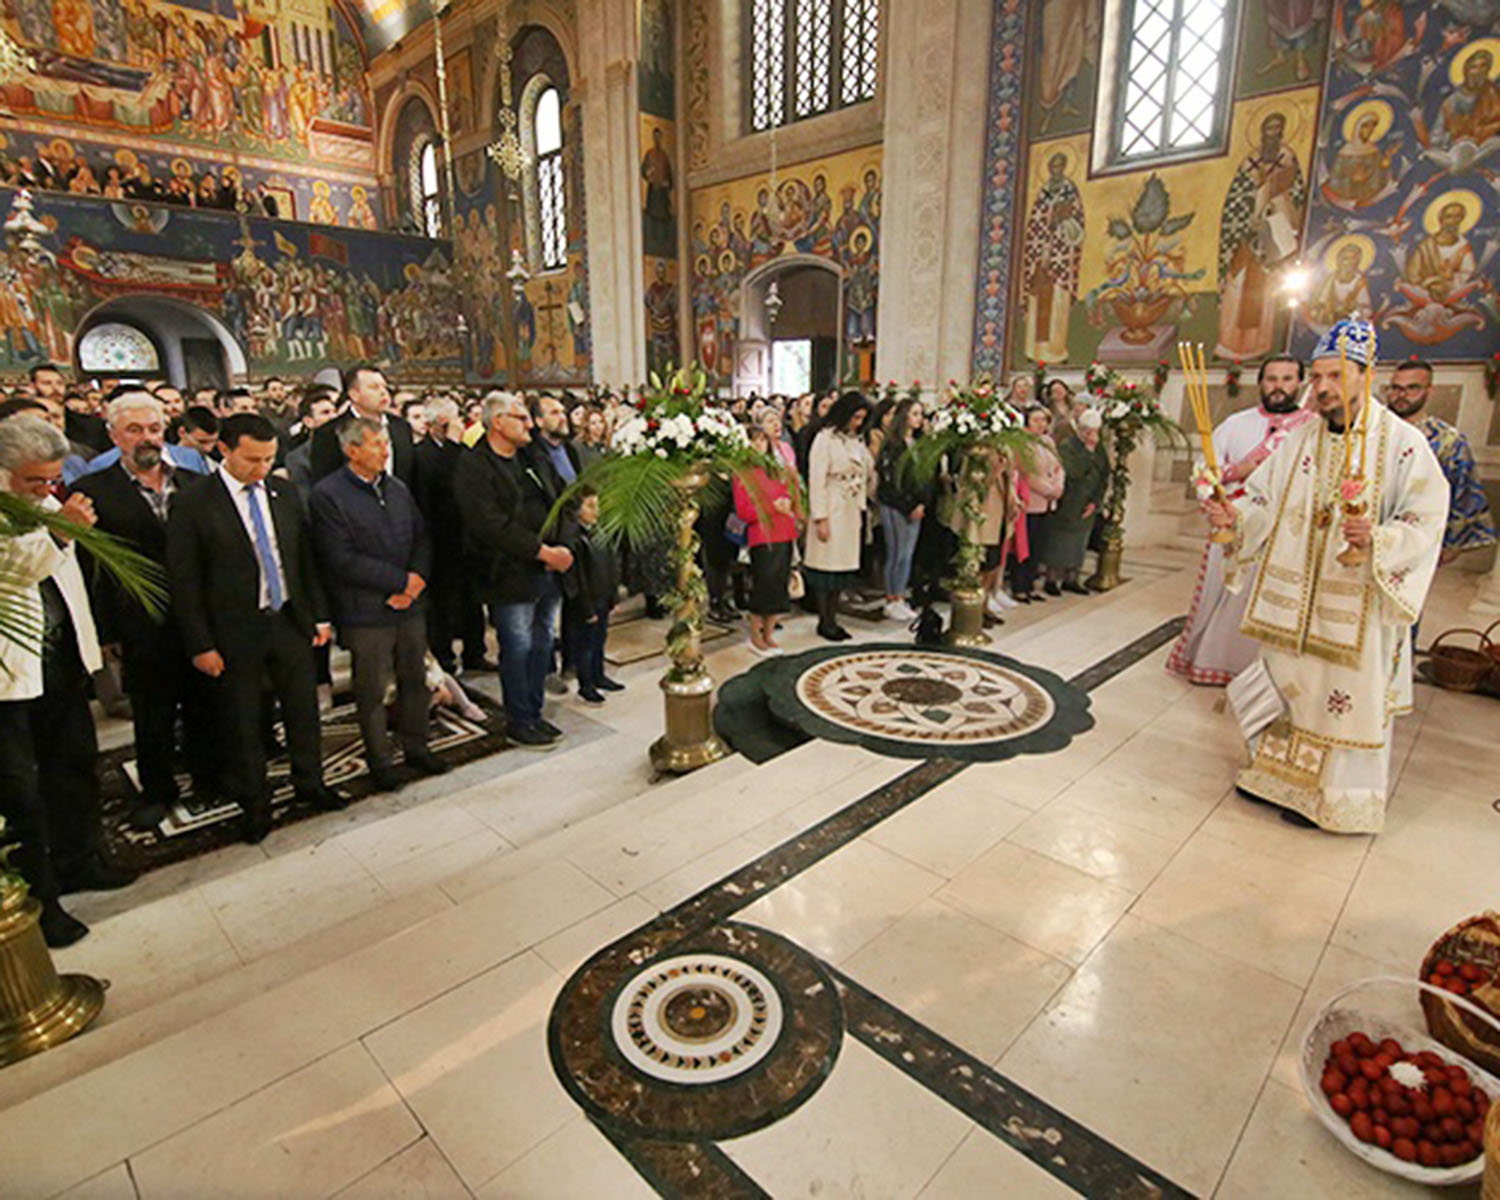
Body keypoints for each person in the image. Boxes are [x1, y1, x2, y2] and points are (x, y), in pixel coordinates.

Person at [1204, 316, 1448, 833]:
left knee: (1340, 700)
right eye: (1317, 378)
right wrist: (1237, 518)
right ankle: (1274, 779)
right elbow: (1265, 502)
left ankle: (1336, 802)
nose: (1322, 388)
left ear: (1366, 373)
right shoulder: (1298, 441)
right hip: (1294, 605)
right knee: (1291, 687)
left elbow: (1426, 517)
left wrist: (1378, 541)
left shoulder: (1402, 445)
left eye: (1335, 376)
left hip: (1354, 609)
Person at [167, 413, 348, 843]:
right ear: (224, 450)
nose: (261, 468)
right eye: (252, 459)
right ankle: (255, 804)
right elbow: (185, 581)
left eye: (268, 458)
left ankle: (311, 784)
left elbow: (303, 559)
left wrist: (318, 615)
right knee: (243, 720)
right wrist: (201, 644)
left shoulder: (282, 492)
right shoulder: (194, 502)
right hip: (233, 630)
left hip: (288, 620)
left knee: (303, 711)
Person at [0, 418, 135, 949]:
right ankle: (42, 899)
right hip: (12, 676)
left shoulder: (47, 500)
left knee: (74, 766)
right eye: (36, 481)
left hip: (61, 661)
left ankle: (81, 859)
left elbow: (68, 573)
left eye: (52, 479)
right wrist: (61, 530)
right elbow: (13, 568)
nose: (46, 490)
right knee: (22, 791)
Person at [71, 391, 219, 829]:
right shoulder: (93, 491)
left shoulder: (195, 483)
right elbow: (92, 565)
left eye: (153, 428)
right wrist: (106, 630)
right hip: (139, 622)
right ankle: (158, 790)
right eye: (134, 430)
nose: (146, 438)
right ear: (114, 434)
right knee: (153, 713)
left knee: (204, 705)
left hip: (198, 618)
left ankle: (210, 778)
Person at [310, 418, 449, 792]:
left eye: (386, 443)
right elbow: (340, 558)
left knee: (414, 682)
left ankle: (417, 747)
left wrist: (416, 579)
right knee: (371, 691)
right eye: (376, 445)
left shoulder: (397, 488)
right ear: (351, 450)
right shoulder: (328, 494)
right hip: (366, 610)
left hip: (410, 605)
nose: (386, 451)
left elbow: (422, 536)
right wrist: (399, 581)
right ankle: (380, 761)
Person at [1167, 358, 1315, 685]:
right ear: (1260, 383)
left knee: (1265, 600)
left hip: (1283, 532)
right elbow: (1206, 470)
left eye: (1287, 379)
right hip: (1231, 526)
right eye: (1272, 379)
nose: (1279, 386)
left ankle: (1259, 674)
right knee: (1221, 596)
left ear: (1300, 383)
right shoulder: (1235, 424)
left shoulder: (1311, 429)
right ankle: (1210, 660)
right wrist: (1234, 478)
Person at [453, 392, 574, 748]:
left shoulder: (532, 456)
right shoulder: (474, 465)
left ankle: (535, 712)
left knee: (541, 644)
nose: (530, 424)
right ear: (497, 422)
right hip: (508, 572)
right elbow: (489, 524)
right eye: (521, 418)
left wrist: (564, 545)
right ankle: (519, 718)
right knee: (517, 645)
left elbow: (564, 499)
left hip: (547, 567)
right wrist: (542, 552)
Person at [1385, 359, 1496, 563]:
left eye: (1412, 388)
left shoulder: (1447, 440)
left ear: (1430, 391)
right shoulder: (1371, 431)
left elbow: (1463, 489)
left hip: (1420, 537)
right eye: (1396, 388)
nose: (1402, 395)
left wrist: (1452, 545)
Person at [413, 395, 491, 674]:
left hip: (466, 540)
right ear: (438, 425)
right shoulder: (422, 454)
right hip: (439, 540)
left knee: (472, 602)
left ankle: (475, 652)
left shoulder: (460, 450)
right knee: (442, 606)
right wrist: (454, 446)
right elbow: (442, 486)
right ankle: (444, 656)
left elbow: (469, 480)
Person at [805, 391, 873, 640]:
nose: (857, 423)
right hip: (832, 505)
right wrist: (820, 517)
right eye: (854, 417)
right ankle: (825, 621)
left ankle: (834, 617)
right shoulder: (825, 439)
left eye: (861, 419)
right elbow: (816, 479)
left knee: (841, 568)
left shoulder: (856, 440)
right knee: (826, 568)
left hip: (850, 507)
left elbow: (866, 469)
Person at [733, 424, 800, 654]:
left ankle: (769, 633)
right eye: (754, 440)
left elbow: (789, 492)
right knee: (764, 585)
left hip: (784, 530)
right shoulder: (742, 472)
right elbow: (744, 510)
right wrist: (773, 506)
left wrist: (788, 502)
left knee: (779, 586)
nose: (759, 444)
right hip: (762, 534)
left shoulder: (775, 467)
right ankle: (755, 634)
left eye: (762, 440)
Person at [563, 489, 624, 702]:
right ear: (577, 510)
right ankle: (586, 683)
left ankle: (599, 675)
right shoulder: (573, 539)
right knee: (585, 644)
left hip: (602, 595)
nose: (595, 510)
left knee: (600, 639)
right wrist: (586, 607)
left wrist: (613, 596)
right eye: (589, 505)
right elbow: (576, 578)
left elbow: (611, 563)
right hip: (586, 600)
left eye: (597, 505)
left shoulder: (601, 532)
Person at [310, 364, 414, 486]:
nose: (383, 392)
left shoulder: (401, 427)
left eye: (385, 387)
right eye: (374, 387)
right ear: (354, 395)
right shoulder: (329, 433)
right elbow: (325, 484)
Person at [1042, 406, 1107, 594]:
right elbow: (1073, 471)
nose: (1092, 435)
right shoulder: (1068, 446)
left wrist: (1095, 501)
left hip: (1088, 503)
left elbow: (1104, 475)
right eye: (1088, 431)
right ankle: (1052, 579)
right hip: (1069, 502)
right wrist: (1087, 452)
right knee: (1060, 543)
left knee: (1079, 544)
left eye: (1095, 431)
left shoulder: (1100, 449)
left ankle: (1072, 579)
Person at [874, 397, 927, 622]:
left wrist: (922, 502)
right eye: (915, 413)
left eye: (921, 414)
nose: (919, 419)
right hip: (896, 504)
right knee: (896, 553)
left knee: (907, 555)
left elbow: (923, 476)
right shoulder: (892, 444)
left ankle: (901, 596)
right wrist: (909, 505)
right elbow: (889, 482)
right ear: (904, 415)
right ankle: (891, 598)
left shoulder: (918, 442)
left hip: (915, 506)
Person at [1011, 405, 1065, 602]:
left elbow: (1059, 467)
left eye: (1043, 420)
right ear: (1027, 422)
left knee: (1039, 546)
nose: (1041, 424)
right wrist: (1049, 490)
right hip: (1031, 502)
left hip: (1048, 503)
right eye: (1036, 420)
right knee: (1025, 546)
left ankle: (1031, 585)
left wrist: (1058, 487)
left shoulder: (1048, 441)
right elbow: (1028, 474)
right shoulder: (1022, 444)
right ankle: (1020, 587)